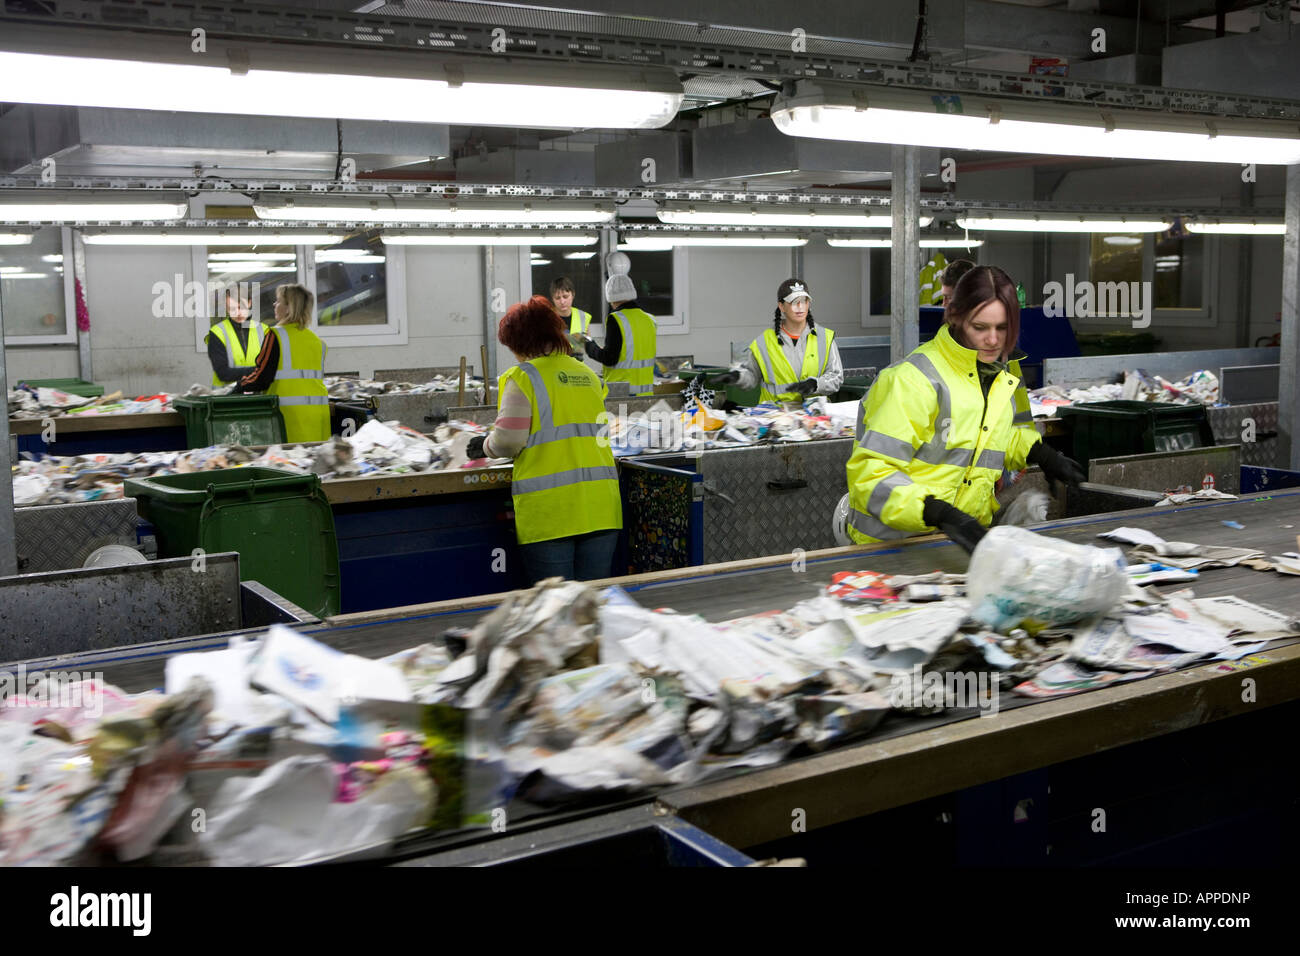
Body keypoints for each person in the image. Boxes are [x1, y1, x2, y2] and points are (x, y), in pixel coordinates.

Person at [844, 266, 1084, 553]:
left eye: (1002, 327)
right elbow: (871, 475)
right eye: (980, 327)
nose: (993, 340)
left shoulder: (998, 373)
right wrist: (936, 512)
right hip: (892, 548)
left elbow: (984, 436)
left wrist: (1040, 453)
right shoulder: (913, 380)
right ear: (956, 318)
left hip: (955, 544)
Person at [466, 295, 622, 584]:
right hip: (601, 507)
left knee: (555, 613)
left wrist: (485, 445)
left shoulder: (524, 378)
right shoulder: (588, 375)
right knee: (592, 610)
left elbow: (509, 441)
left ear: (521, 342)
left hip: (552, 513)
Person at [707, 278, 844, 403]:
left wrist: (816, 384)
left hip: (815, 419)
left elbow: (836, 377)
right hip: (776, 419)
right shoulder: (764, 342)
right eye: (793, 302)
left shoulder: (825, 338)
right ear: (781, 306)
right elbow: (752, 376)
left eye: (804, 301)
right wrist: (737, 377)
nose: (800, 307)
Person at [232, 283, 330, 443]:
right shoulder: (318, 342)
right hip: (318, 415)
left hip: (288, 416)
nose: (274, 305)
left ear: (289, 308)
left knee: (288, 463)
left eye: (278, 301)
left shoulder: (276, 335)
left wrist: (240, 386)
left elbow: (262, 377)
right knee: (311, 462)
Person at [584, 254, 657, 397]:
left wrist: (589, 345)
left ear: (610, 298)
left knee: (618, 421)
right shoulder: (650, 320)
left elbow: (610, 358)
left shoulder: (616, 319)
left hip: (621, 396)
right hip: (646, 395)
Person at [206, 288, 265, 387]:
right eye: (232, 309)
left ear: (249, 303)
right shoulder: (217, 333)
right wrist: (259, 370)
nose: (238, 313)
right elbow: (223, 373)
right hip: (227, 397)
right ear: (226, 307)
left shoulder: (264, 330)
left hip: (258, 396)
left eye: (241, 307)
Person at [550, 275, 592, 357]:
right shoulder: (545, 318)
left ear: (573, 295)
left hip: (576, 366)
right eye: (558, 298)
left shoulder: (583, 317)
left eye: (565, 296)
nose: (562, 301)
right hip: (553, 366)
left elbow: (589, 346)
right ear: (552, 299)